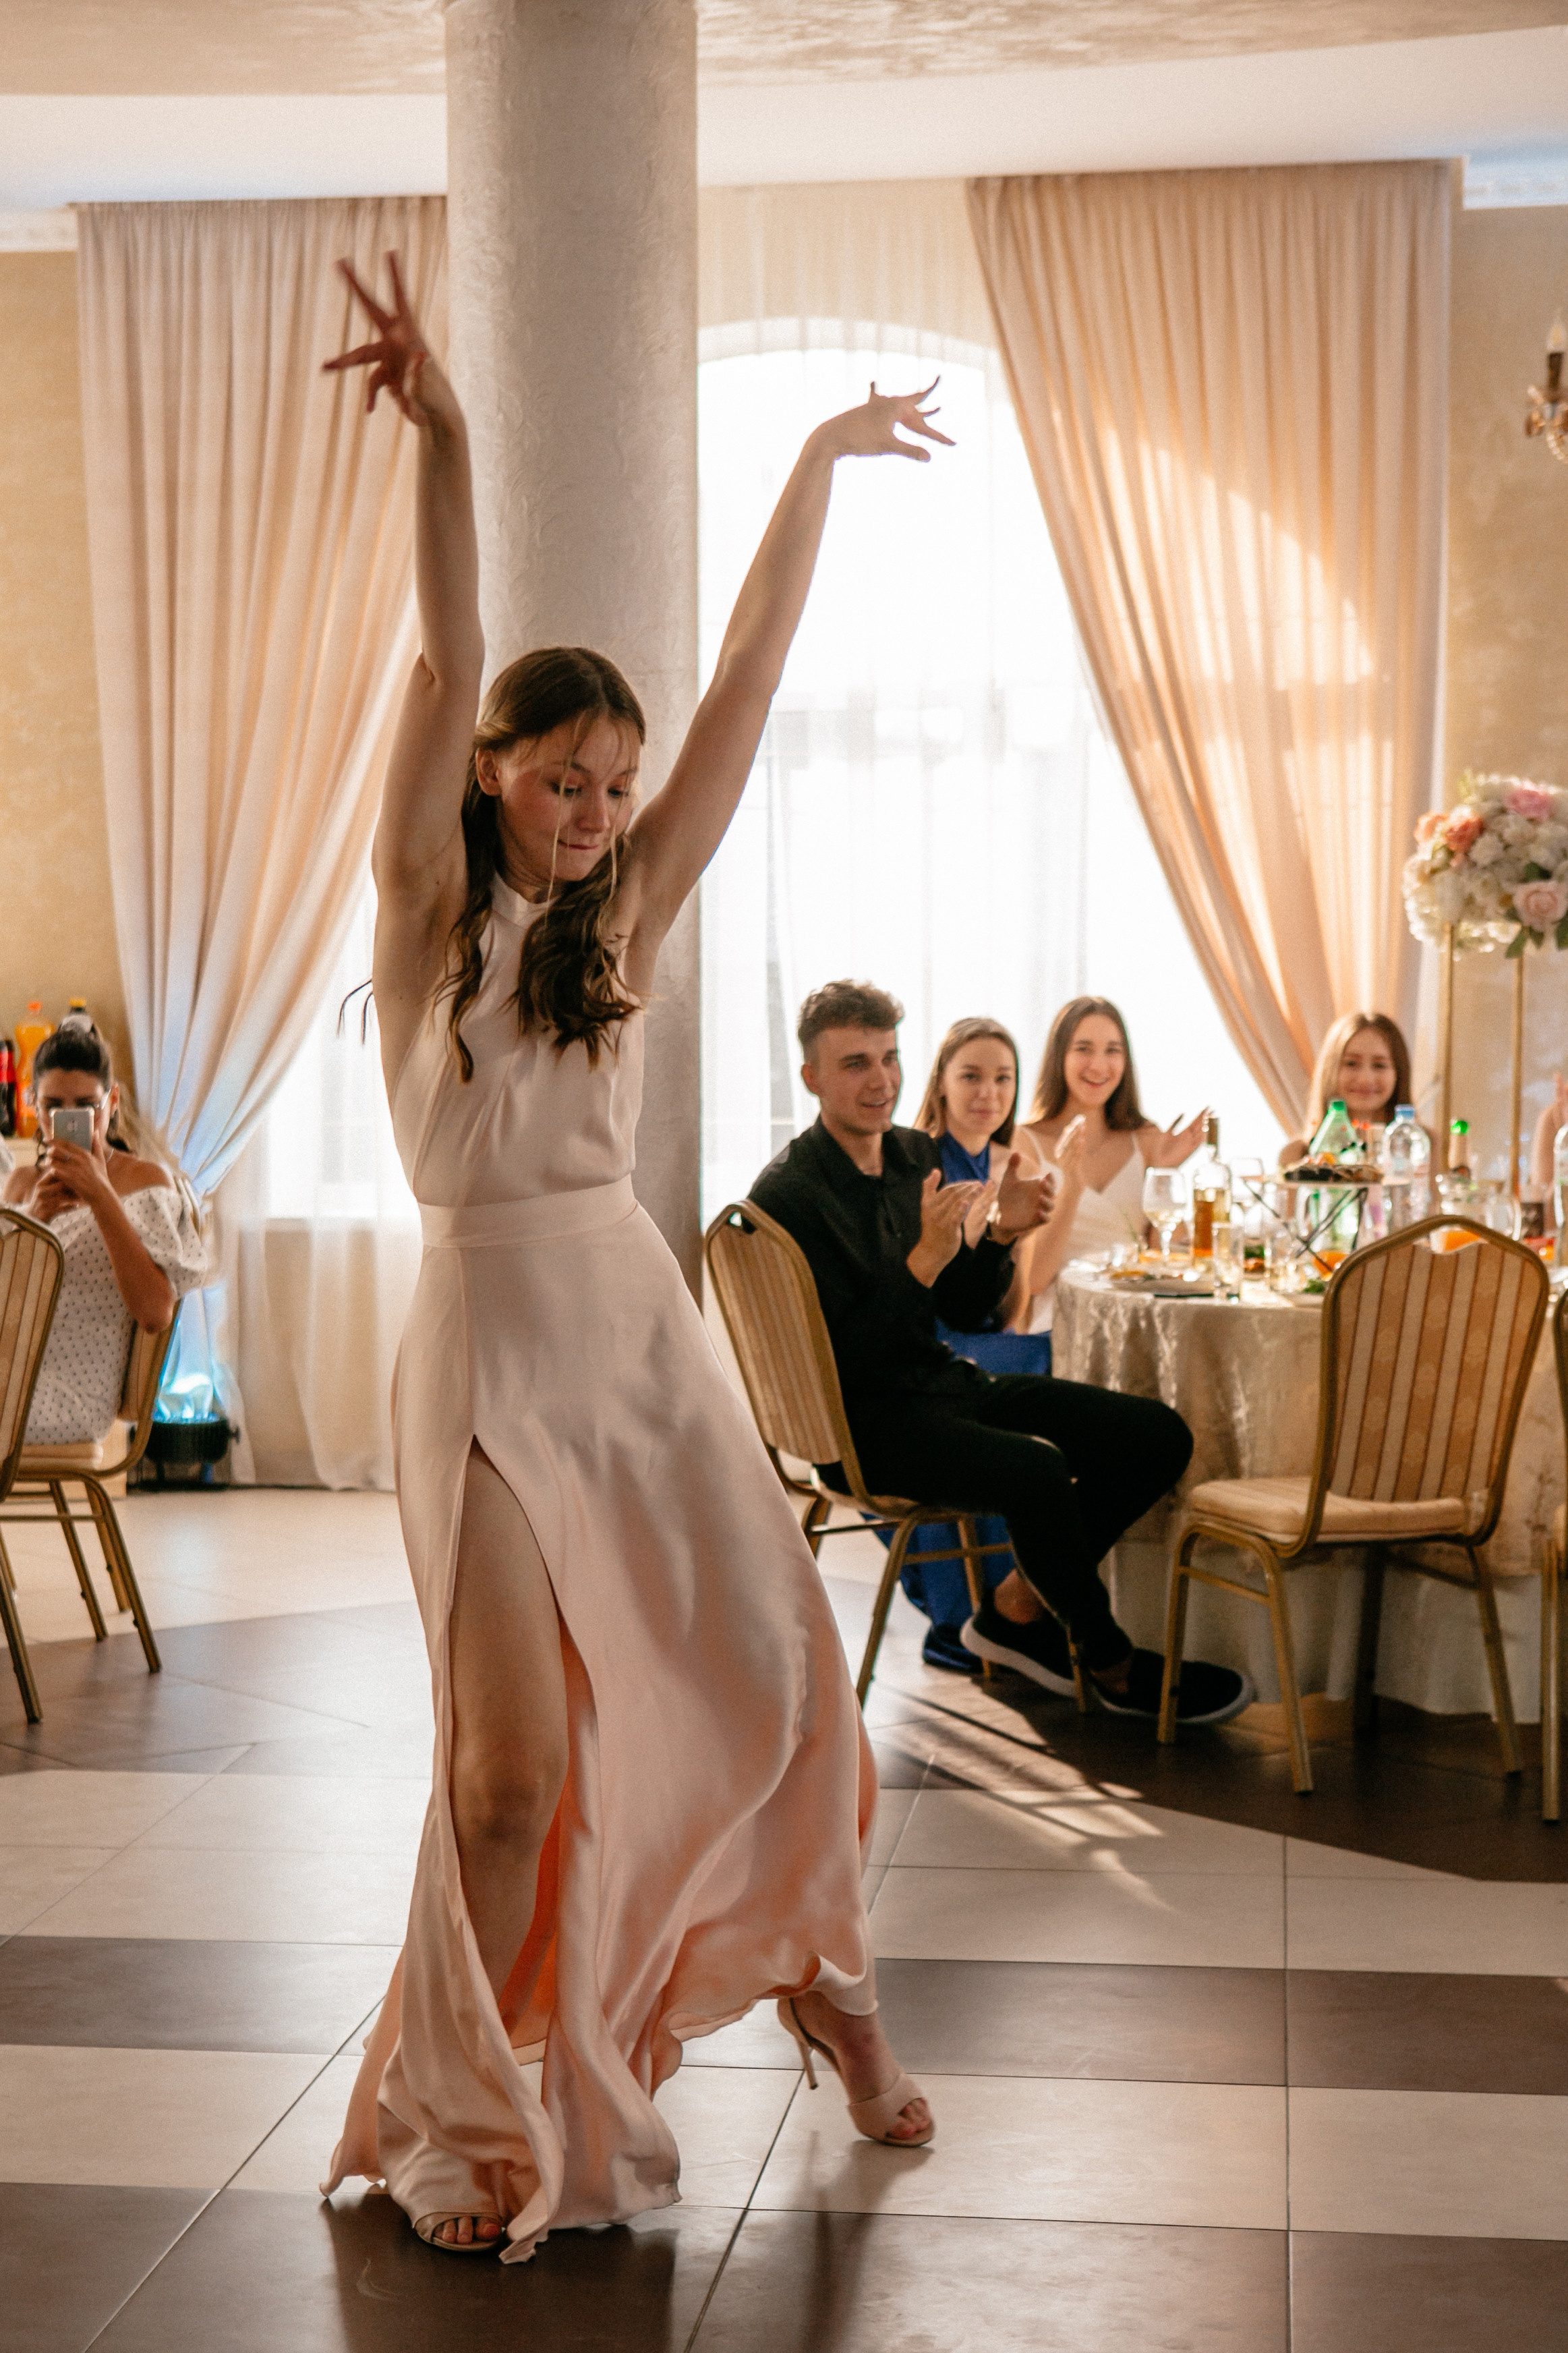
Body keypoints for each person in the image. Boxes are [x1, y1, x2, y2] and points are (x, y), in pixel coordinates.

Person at [318, 259, 948, 2259]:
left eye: (613, 783)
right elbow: (449, 636)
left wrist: (819, 465)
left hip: (637, 1343)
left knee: (771, 1691)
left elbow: (752, 674)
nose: (593, 814)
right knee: (504, 1774)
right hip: (480, 1344)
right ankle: (471, 2104)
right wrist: (444, 434)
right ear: (492, 768)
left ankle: (838, 2002)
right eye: (560, 776)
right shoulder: (428, 899)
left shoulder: (629, 914)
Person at [749, 981, 1252, 1723]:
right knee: (1038, 1466)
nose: (881, 1079)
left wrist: (1004, 1233)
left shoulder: (912, 1153)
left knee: (1157, 1434)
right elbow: (839, 1358)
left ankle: (1015, 1609)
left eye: (889, 1057)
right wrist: (922, 1260)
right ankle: (1107, 1656)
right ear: (812, 1077)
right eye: (856, 1062)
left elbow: (964, 1306)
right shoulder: (789, 1194)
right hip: (862, 1421)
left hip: (942, 1384)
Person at [1, 1023, 204, 1444]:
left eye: (87, 1105)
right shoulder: (22, 1184)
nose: (71, 1118)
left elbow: (154, 1312)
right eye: (54, 1105)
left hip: (69, 1394)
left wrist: (102, 1196)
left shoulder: (145, 1181)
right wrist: (34, 1219)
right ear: (32, 1106)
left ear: (111, 1102)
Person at [1010, 997, 1207, 1351]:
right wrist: (1071, 1183)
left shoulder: (1145, 1139)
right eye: (1083, 1049)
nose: (1098, 1065)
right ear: (1060, 1058)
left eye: (1112, 1051)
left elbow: (1171, 1258)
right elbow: (1034, 1279)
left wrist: (1164, 1174)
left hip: (1137, 1313)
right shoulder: (1026, 1142)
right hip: (1061, 1320)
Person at [1279, 1011, 1416, 1164]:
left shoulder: (1420, 1144)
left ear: (1399, 1072)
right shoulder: (1295, 1154)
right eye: (1351, 1063)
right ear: (1330, 1070)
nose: (1365, 1079)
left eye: (1379, 1065)